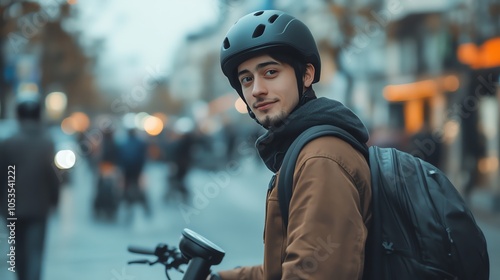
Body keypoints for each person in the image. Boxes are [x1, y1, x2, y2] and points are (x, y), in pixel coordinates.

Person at [211, 10, 372, 279]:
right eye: (246, 79)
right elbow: (280, 270)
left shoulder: (321, 158)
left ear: (306, 75)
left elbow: (314, 273)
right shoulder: (301, 149)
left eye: (270, 72)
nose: (256, 90)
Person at [0, 96, 61, 280]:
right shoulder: (47, 143)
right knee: (35, 252)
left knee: (17, 250)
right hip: (39, 206)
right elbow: (53, 176)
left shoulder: (8, 143)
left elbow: (3, 175)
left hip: (12, 206)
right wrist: (54, 200)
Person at [119, 128, 151, 219]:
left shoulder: (123, 143)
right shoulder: (140, 143)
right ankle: (146, 209)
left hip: (127, 171)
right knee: (141, 189)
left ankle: (127, 205)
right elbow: (143, 157)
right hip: (137, 170)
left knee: (126, 188)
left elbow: (121, 158)